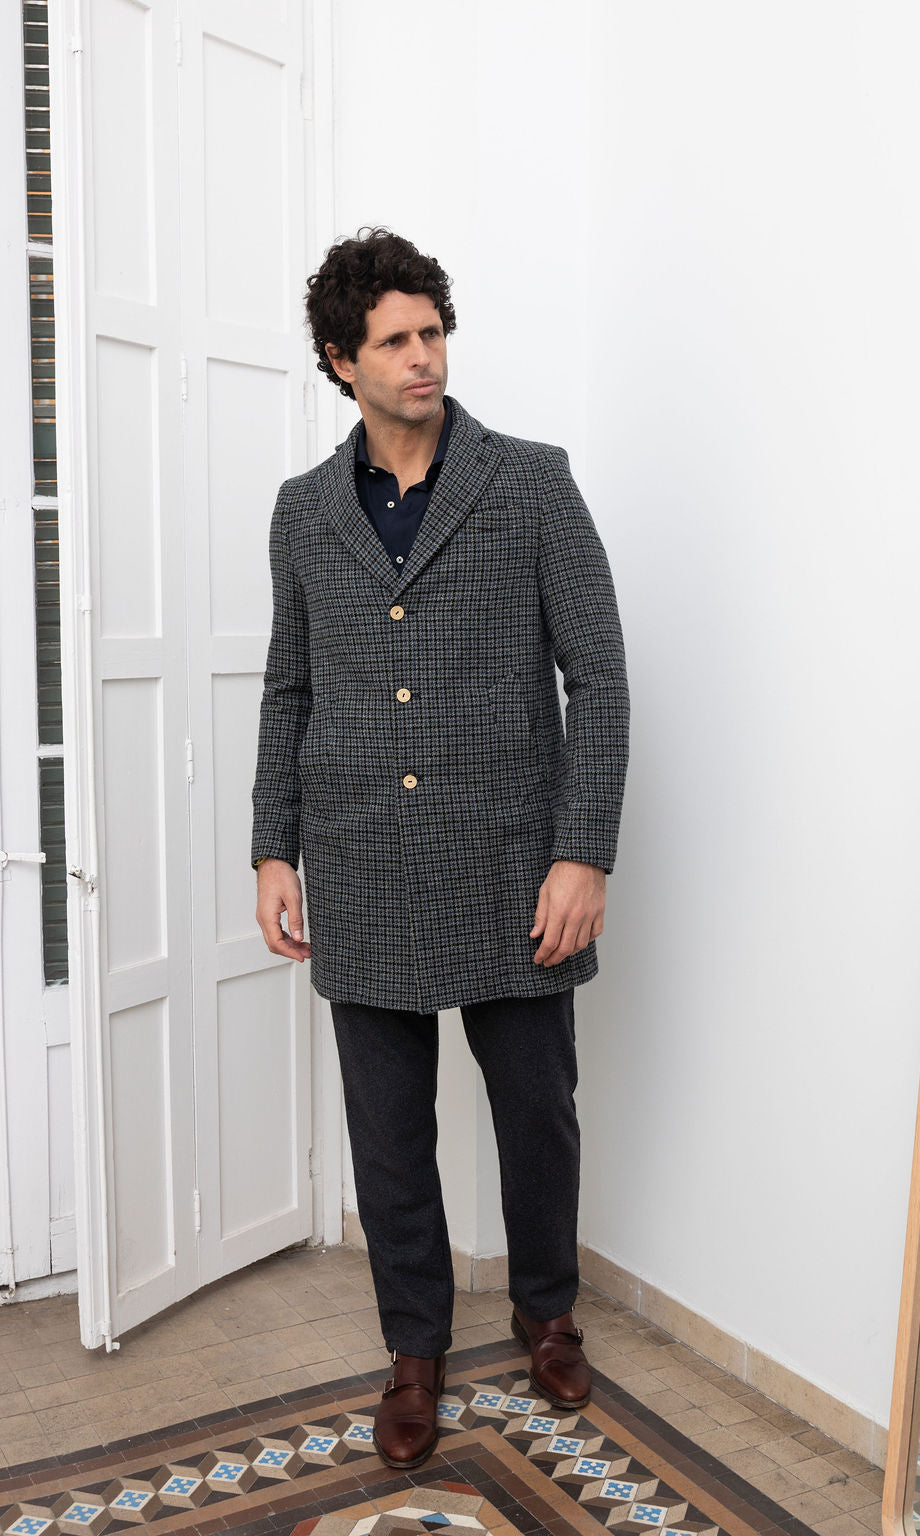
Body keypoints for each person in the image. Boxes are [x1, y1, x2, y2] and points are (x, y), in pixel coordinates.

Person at [251, 227, 630, 1469]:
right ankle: (413, 1354)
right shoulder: (304, 513)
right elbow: (289, 691)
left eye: (433, 332)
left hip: (515, 863)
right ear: (341, 360)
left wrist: (582, 852)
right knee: (388, 1132)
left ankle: (546, 1313)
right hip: (360, 858)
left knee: (538, 1113)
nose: (424, 357)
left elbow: (599, 679)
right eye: (395, 340)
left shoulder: (531, 482)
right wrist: (272, 849)